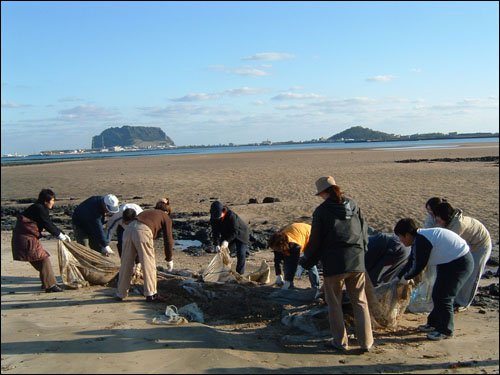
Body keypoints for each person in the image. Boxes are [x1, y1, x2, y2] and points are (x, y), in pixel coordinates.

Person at [299, 176, 373, 353]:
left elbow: (316, 240)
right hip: (356, 259)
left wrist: (306, 262)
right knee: (360, 301)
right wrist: (363, 252)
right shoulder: (353, 204)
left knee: (334, 303)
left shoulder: (322, 211)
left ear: (322, 193)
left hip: (334, 263)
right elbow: (364, 230)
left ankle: (340, 342)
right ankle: (366, 342)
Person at [394, 218, 473, 341]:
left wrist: (405, 278)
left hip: (460, 262)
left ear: (408, 235)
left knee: (444, 296)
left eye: (401, 237)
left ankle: (445, 330)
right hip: (448, 262)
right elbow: (411, 262)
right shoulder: (419, 239)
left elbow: (418, 267)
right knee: (437, 293)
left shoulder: (422, 241)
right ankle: (433, 323)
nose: (400, 240)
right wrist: (399, 278)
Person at [433, 202, 492, 308]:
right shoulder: (449, 222)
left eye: (438, 217)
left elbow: (447, 244)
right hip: (468, 245)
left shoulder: (459, 225)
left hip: (481, 246)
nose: (437, 220)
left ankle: (463, 304)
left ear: (445, 217)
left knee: (472, 276)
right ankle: (455, 298)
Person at [11, 189, 70, 293]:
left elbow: (48, 223)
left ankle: (47, 283)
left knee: (41, 260)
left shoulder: (39, 208)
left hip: (25, 239)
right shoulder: (39, 208)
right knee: (43, 259)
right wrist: (59, 235)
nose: (53, 202)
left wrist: (62, 233)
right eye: (52, 200)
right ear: (46, 201)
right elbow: (47, 224)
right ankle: (50, 285)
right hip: (26, 239)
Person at [116, 200, 174, 302]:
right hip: (143, 231)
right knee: (148, 263)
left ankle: (121, 293)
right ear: (167, 211)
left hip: (128, 229)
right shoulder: (165, 217)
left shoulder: (147, 212)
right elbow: (168, 240)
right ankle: (151, 294)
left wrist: (137, 260)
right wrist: (169, 259)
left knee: (126, 263)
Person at [268, 223, 320, 291]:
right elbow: (277, 259)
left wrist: (289, 280)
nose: (277, 250)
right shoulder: (277, 242)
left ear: (282, 245)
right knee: (286, 259)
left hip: (310, 234)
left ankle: (315, 287)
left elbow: (293, 264)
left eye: (278, 249)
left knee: (309, 262)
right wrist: (279, 274)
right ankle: (290, 286)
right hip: (296, 231)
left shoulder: (294, 246)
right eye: (275, 249)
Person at [210, 201, 249, 275]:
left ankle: (240, 274)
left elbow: (235, 230)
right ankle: (225, 272)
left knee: (241, 253)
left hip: (241, 234)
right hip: (227, 234)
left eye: (219, 215)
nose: (217, 218)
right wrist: (217, 244)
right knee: (224, 253)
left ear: (223, 210)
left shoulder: (231, 216)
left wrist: (226, 241)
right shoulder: (213, 218)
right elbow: (215, 232)